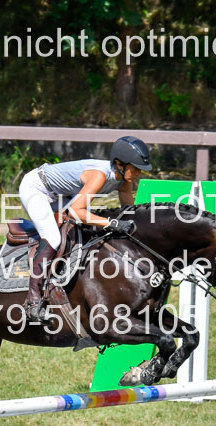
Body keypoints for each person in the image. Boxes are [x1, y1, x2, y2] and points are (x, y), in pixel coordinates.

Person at [17, 135, 153, 322]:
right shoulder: (100, 175)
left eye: (140, 170)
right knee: (53, 238)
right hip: (36, 188)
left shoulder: (124, 180)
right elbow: (76, 212)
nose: (138, 173)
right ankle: (33, 301)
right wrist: (111, 223)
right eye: (136, 168)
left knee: (85, 230)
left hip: (62, 195)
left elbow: (129, 211)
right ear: (119, 164)